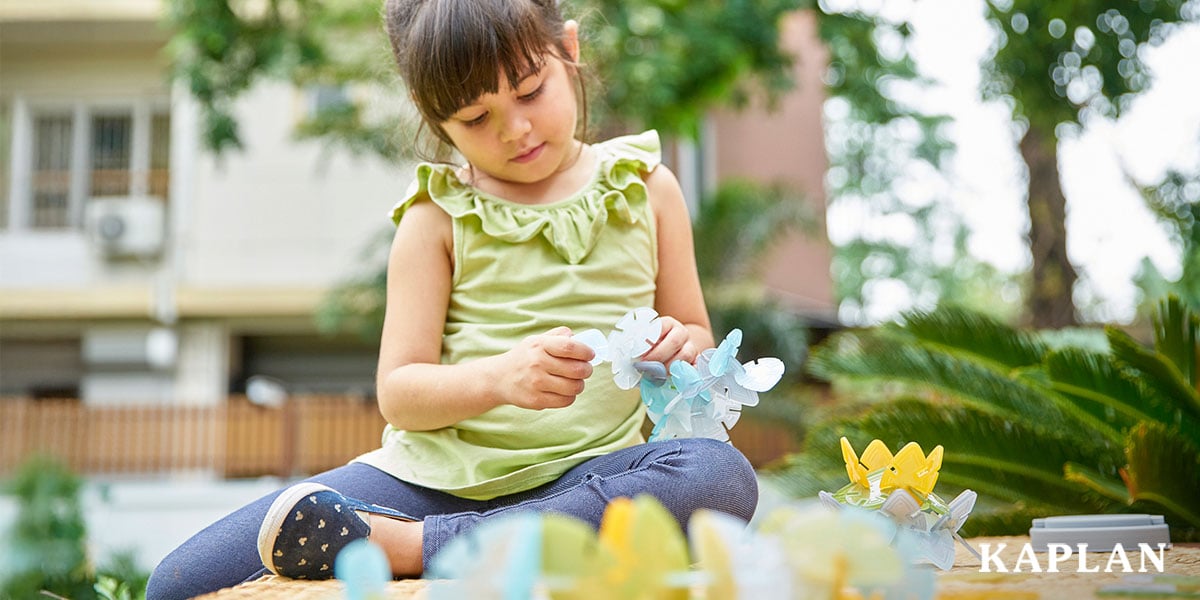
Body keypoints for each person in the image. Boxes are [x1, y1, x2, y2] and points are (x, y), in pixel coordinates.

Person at [146, 0, 757, 597]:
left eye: (529, 91)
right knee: (175, 584)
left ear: (568, 51)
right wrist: (499, 379)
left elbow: (698, 336)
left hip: (588, 479)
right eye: (474, 118)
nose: (514, 130)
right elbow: (401, 393)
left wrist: (677, 349)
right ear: (430, 114)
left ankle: (417, 548)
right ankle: (467, 538)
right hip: (433, 482)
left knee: (719, 474)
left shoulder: (647, 188)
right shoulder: (436, 217)